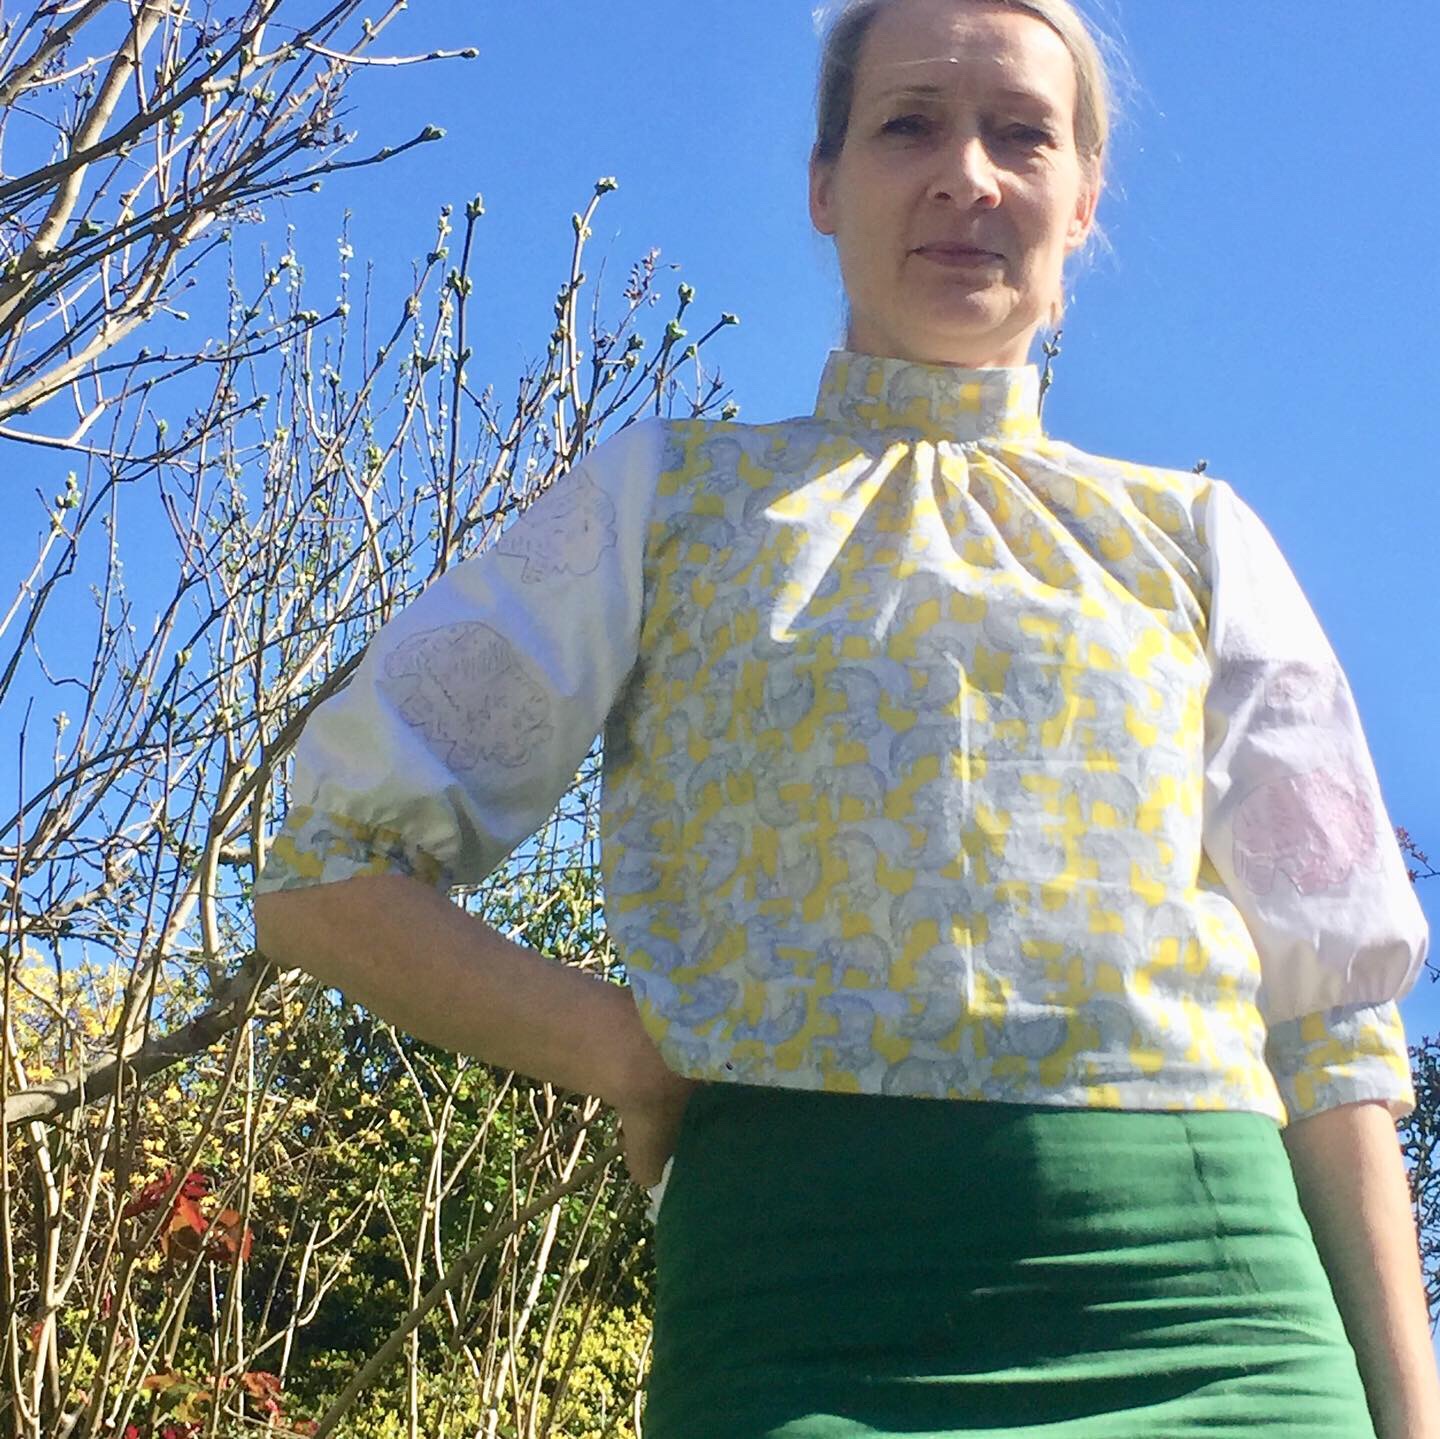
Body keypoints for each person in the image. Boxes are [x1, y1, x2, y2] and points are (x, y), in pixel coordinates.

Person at [253, 1, 1440, 1434]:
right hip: (800, 1316)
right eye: (909, 125)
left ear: (1084, 198)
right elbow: (320, 870)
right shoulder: (670, 504)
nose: (967, 175)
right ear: (823, 184)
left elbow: (1330, 1029)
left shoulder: (1193, 541)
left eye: (1022, 135)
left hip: (1221, 1327)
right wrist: (616, 1049)